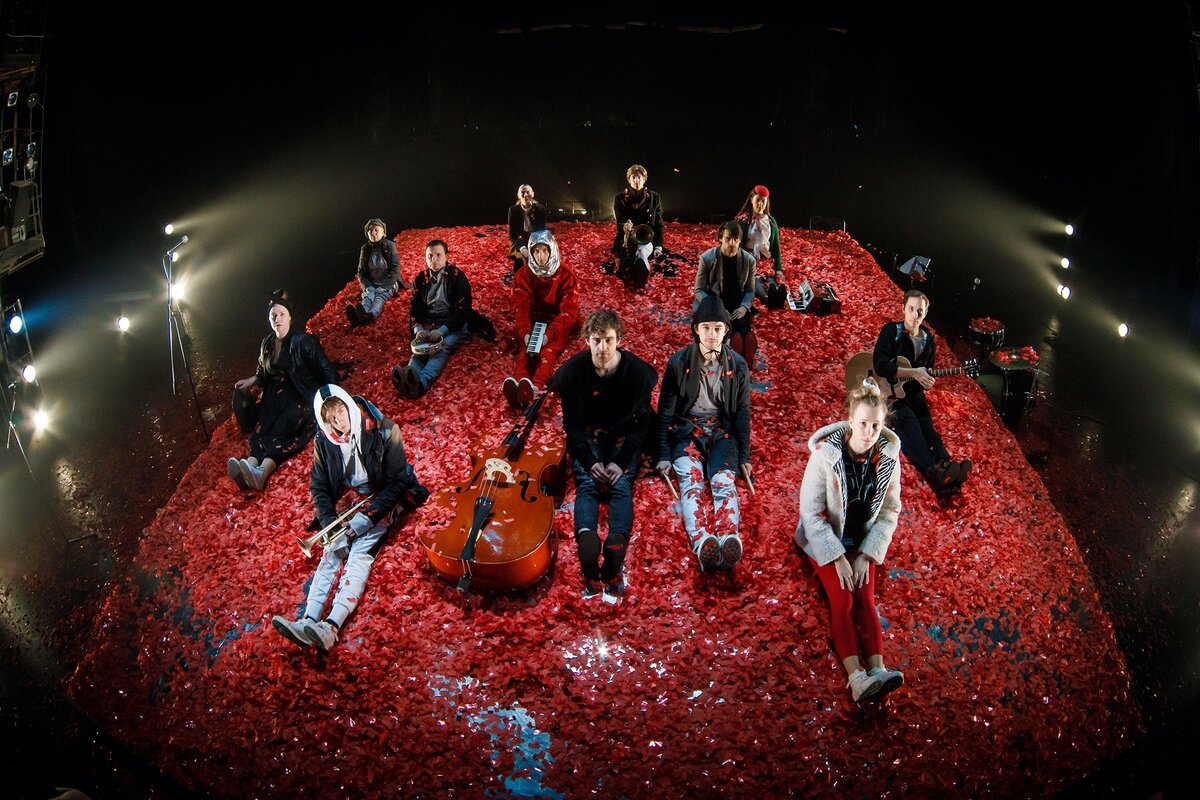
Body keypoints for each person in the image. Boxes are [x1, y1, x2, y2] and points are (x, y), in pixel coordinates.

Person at [272, 384, 429, 651]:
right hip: (354, 498)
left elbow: (398, 482)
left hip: (384, 498)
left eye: (341, 413)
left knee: (359, 553)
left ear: (348, 405)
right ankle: (308, 618)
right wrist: (330, 526)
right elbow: (319, 487)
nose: (338, 423)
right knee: (332, 550)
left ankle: (331, 626)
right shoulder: (324, 440)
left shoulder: (385, 430)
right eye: (330, 419)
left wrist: (363, 521)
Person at [794, 378, 906, 703]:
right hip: (825, 537)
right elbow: (811, 512)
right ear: (850, 420)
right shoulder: (825, 456)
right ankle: (856, 678)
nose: (869, 432)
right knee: (843, 599)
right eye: (863, 424)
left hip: (861, 540)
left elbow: (890, 510)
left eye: (876, 426)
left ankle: (878, 670)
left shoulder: (888, 458)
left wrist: (867, 554)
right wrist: (837, 556)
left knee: (866, 599)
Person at [553, 309, 658, 597]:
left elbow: (642, 423)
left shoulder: (636, 374)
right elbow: (572, 425)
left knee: (620, 484)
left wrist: (621, 462)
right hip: (590, 432)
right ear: (587, 340)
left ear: (619, 340)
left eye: (608, 340)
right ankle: (587, 540)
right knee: (587, 483)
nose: (602, 347)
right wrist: (590, 461)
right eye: (597, 340)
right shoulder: (572, 373)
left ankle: (616, 542)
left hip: (624, 431)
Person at [656, 295, 752, 572]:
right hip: (687, 430)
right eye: (706, 327)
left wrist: (744, 455)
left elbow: (742, 412)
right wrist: (663, 453)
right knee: (692, 481)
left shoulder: (737, 365)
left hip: (722, 431)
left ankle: (729, 537)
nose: (712, 334)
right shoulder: (679, 363)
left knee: (723, 482)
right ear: (696, 329)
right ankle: (702, 542)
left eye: (718, 328)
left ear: (726, 332)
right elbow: (665, 411)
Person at [229, 290, 338, 492]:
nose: (277, 319)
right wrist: (254, 379)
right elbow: (264, 369)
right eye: (273, 316)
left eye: (281, 315)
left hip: (299, 396)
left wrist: (329, 399)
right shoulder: (268, 343)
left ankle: (261, 473)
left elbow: (326, 370)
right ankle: (249, 467)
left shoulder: (303, 341)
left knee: (280, 429)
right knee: (262, 429)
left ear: (289, 317)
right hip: (274, 397)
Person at [872, 289, 972, 496]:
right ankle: (933, 471)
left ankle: (946, 463)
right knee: (911, 428)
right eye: (911, 309)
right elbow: (880, 366)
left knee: (928, 427)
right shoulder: (891, 332)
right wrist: (914, 372)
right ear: (903, 309)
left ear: (925, 313)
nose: (915, 315)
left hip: (913, 393)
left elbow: (927, 371)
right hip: (890, 393)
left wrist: (927, 381)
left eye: (920, 311)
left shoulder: (928, 339)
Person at [503, 229, 580, 409]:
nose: (540, 256)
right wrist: (525, 332)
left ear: (552, 250)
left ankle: (536, 388)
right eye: (536, 251)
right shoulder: (523, 274)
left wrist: (549, 334)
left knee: (548, 353)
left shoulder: (566, 274)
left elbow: (568, 311)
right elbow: (520, 306)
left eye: (545, 251)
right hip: (533, 320)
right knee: (526, 351)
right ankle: (518, 383)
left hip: (557, 322)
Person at [391, 239, 474, 399]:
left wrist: (442, 331)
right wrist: (418, 329)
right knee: (420, 350)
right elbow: (414, 308)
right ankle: (409, 380)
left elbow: (463, 312)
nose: (434, 259)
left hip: (452, 324)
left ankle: (421, 383)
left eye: (438, 255)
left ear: (446, 257)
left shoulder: (457, 277)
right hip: (429, 323)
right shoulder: (421, 279)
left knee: (441, 348)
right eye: (430, 255)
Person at [694, 221, 758, 369]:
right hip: (714, 300)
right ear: (721, 238)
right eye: (728, 239)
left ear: (740, 241)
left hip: (737, 301)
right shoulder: (707, 258)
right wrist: (716, 308)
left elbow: (750, 290)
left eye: (735, 239)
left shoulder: (749, 261)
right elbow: (699, 290)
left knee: (740, 322)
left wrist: (744, 307)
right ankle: (734, 347)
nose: (732, 243)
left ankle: (743, 348)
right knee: (719, 325)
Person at [346, 217, 412, 327]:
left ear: (383, 232)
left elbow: (395, 268)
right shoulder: (365, 249)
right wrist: (367, 286)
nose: (373, 233)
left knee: (379, 297)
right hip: (372, 281)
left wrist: (384, 287)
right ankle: (360, 316)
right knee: (368, 296)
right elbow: (361, 271)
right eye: (370, 231)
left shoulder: (390, 245)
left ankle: (371, 315)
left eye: (376, 230)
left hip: (389, 282)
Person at [733, 185, 785, 304]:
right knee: (756, 280)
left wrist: (778, 268)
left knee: (770, 278)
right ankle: (768, 300)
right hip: (749, 258)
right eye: (757, 200)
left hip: (765, 258)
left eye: (763, 201)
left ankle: (776, 293)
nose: (760, 204)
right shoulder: (743, 220)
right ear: (752, 200)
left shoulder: (771, 222)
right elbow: (736, 244)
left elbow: (775, 246)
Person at [612, 163, 664, 272]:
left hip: (647, 238)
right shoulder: (619, 198)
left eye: (639, 177)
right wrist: (625, 226)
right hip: (627, 239)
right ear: (629, 180)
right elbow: (619, 221)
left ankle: (642, 266)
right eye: (633, 177)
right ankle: (639, 266)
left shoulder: (654, 197)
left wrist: (658, 246)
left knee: (643, 250)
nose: (636, 180)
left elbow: (658, 223)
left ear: (644, 179)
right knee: (628, 256)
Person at [506, 184, 548, 273]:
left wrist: (537, 247)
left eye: (528, 192)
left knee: (541, 258)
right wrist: (523, 248)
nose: (525, 195)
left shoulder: (540, 209)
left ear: (532, 194)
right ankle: (519, 279)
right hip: (520, 240)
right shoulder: (513, 211)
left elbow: (542, 231)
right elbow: (512, 235)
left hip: (537, 239)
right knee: (520, 261)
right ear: (518, 195)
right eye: (523, 193)